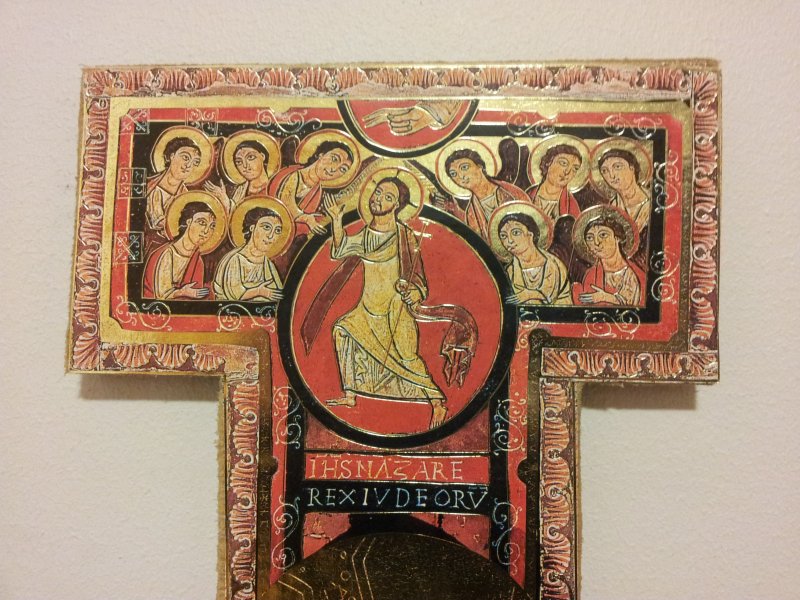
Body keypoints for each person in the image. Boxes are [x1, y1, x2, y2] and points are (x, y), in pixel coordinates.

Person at [322, 176, 448, 428]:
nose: (378, 199)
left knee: (407, 355)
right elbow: (340, 249)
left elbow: (418, 275)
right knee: (343, 331)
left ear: (397, 205)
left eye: (387, 197)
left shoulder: (404, 234)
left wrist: (415, 292)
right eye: (377, 192)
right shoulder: (366, 233)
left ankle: (437, 403)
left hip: (395, 307)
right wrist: (336, 220)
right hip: (367, 307)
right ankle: (350, 394)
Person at [268, 139, 355, 235]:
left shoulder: (319, 195)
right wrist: (306, 218)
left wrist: (335, 219)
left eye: (343, 169)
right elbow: (286, 203)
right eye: (334, 159)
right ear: (321, 154)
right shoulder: (292, 173)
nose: (334, 169)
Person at [444, 148, 529, 242]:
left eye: (464, 167)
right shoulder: (471, 214)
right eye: (453, 174)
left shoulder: (511, 192)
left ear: (480, 166)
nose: (461, 176)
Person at [142, 201, 216, 300]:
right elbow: (161, 296)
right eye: (202, 223)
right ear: (188, 222)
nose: (206, 231)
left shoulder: (197, 260)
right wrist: (182, 292)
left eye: (212, 226)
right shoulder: (167, 253)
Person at [572, 208, 645, 306]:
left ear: (617, 237)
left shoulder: (635, 275)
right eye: (590, 237)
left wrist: (606, 297)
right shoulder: (591, 275)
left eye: (603, 235)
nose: (596, 242)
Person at [497, 212, 571, 305]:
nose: (509, 240)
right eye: (503, 236)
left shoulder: (553, 264)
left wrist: (530, 294)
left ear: (530, 235)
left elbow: (552, 298)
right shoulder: (510, 271)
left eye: (516, 232)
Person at [145, 137, 203, 254]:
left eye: (195, 162)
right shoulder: (148, 185)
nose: (188, 165)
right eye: (185, 157)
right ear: (171, 156)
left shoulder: (187, 199)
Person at [213, 206, 284, 302]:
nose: (271, 236)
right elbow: (236, 294)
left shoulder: (268, 264)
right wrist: (259, 291)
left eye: (277, 230)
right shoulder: (236, 260)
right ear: (252, 228)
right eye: (266, 227)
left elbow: (278, 293)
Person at [205, 139, 273, 212]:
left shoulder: (273, 188)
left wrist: (226, 202)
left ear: (262, 156)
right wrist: (222, 199)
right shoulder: (239, 190)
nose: (245, 166)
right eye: (239, 162)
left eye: (250, 157)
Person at [598, 148, 651, 234]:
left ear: (632, 168)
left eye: (617, 167)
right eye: (605, 171)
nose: (612, 175)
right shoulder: (610, 210)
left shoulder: (651, 202)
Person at [527, 143, 583, 220]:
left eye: (575, 168)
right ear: (548, 162)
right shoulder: (528, 194)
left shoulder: (571, 206)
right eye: (563, 163)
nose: (567, 172)